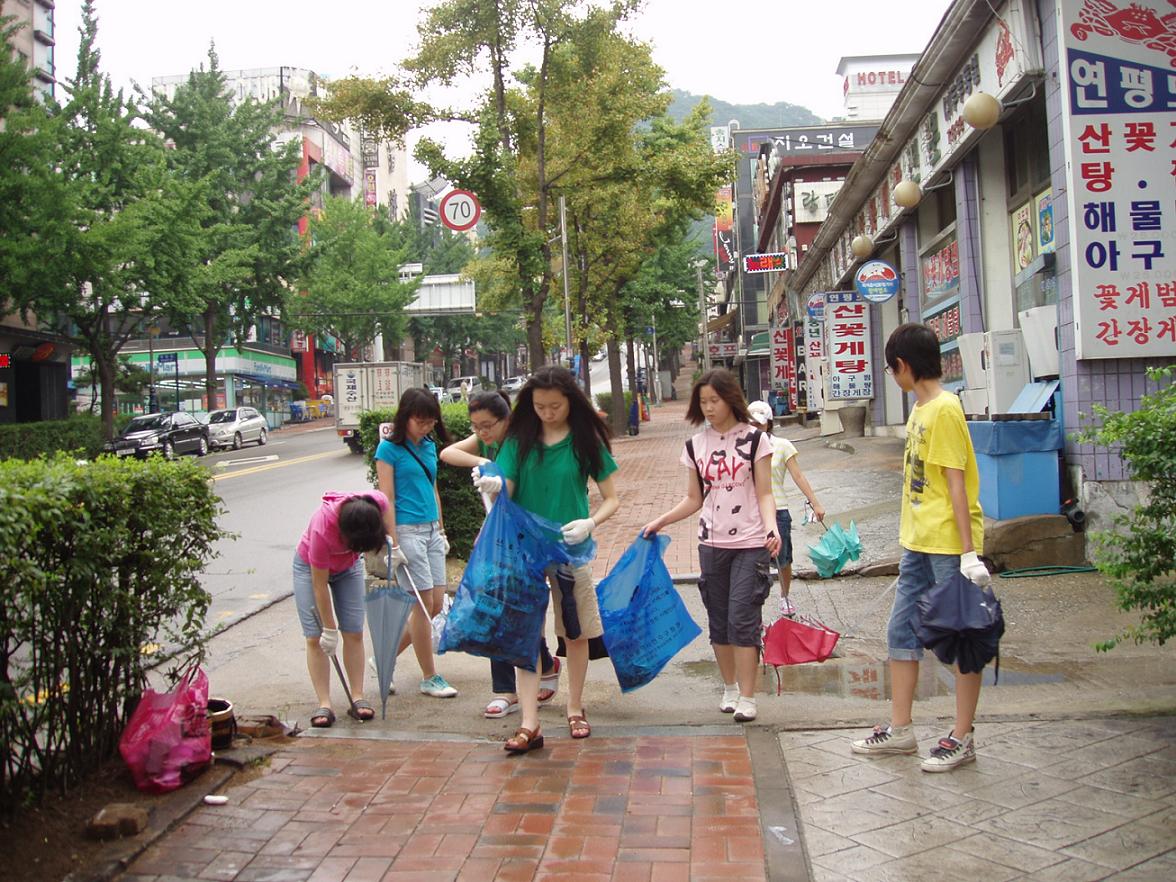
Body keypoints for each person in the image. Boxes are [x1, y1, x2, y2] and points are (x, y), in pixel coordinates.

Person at [850, 323, 989, 772]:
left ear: (904, 366)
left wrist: (969, 554)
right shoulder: (921, 409)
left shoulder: (945, 410)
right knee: (901, 633)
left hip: (949, 546)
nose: (893, 377)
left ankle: (961, 736)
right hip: (917, 543)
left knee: (961, 637)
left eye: (893, 370)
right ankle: (901, 729)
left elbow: (955, 483)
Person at [472, 366, 620, 753]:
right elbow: (510, 485)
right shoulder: (520, 439)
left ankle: (574, 706)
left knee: (575, 630)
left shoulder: (585, 440)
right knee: (524, 632)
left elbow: (613, 498)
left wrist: (590, 522)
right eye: (539, 406)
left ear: (570, 402)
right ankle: (529, 723)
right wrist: (495, 483)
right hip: (523, 549)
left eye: (555, 406)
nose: (547, 413)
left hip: (570, 548)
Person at [641, 368, 780, 724]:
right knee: (719, 621)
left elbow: (765, 493)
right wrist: (661, 521)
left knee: (742, 618)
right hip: (711, 543)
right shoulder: (695, 445)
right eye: (702, 402)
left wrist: (772, 529)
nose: (708, 408)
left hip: (750, 542)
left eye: (714, 401)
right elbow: (693, 499)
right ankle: (730, 687)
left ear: (730, 398)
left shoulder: (754, 440)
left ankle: (748, 697)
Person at [439, 390, 562, 719]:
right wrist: (482, 459)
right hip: (499, 538)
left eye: (487, 425)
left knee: (523, 609)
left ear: (506, 418)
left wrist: (498, 478)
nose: (482, 433)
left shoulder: (523, 442)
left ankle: (545, 665)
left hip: (529, 538)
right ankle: (506, 689)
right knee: (498, 606)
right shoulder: (487, 442)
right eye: (476, 427)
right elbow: (448, 453)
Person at [374, 388, 458, 699]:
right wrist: (392, 543)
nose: (425, 428)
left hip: (432, 531)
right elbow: (387, 499)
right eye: (419, 421)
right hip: (407, 531)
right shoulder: (388, 450)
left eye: (430, 422)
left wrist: (442, 528)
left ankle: (383, 657)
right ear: (405, 416)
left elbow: (433, 488)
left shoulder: (428, 447)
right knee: (422, 606)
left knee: (435, 604)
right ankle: (429, 676)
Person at [294, 491, 391, 727]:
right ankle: (324, 703)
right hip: (309, 569)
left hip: (348, 569)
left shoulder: (376, 504)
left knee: (354, 631)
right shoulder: (322, 529)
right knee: (315, 638)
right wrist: (328, 629)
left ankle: (357, 697)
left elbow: (386, 517)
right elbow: (319, 586)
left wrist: (393, 548)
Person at [747, 400, 826, 617]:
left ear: (769, 424)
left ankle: (785, 596)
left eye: (760, 424)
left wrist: (815, 502)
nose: (755, 428)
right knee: (753, 562)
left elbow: (798, 475)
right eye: (751, 424)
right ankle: (754, 604)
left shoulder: (781, 446)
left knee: (783, 559)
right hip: (751, 514)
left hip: (779, 510)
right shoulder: (742, 447)